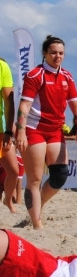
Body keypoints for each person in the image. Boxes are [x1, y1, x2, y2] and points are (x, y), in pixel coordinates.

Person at [15, 35, 77, 230]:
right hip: (34, 129)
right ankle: (37, 224)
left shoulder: (67, 76)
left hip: (55, 130)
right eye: (53, 52)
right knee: (35, 179)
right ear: (45, 54)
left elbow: (76, 106)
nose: (58, 56)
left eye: (61, 53)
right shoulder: (35, 75)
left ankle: (38, 208)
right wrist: (20, 132)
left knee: (60, 176)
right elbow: (24, 106)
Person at [1, 57, 20, 213]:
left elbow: (9, 101)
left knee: (14, 171)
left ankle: (7, 199)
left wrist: (8, 130)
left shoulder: (2, 66)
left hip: (1, 131)